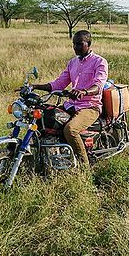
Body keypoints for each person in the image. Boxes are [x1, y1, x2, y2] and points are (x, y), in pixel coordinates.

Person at [31, 30, 108, 165]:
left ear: (88, 44)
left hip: (90, 106)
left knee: (70, 130)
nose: (75, 47)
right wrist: (35, 86)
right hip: (71, 105)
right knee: (45, 120)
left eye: (79, 44)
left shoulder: (99, 62)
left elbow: (98, 85)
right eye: (74, 44)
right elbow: (58, 84)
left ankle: (85, 167)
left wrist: (84, 92)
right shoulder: (72, 63)